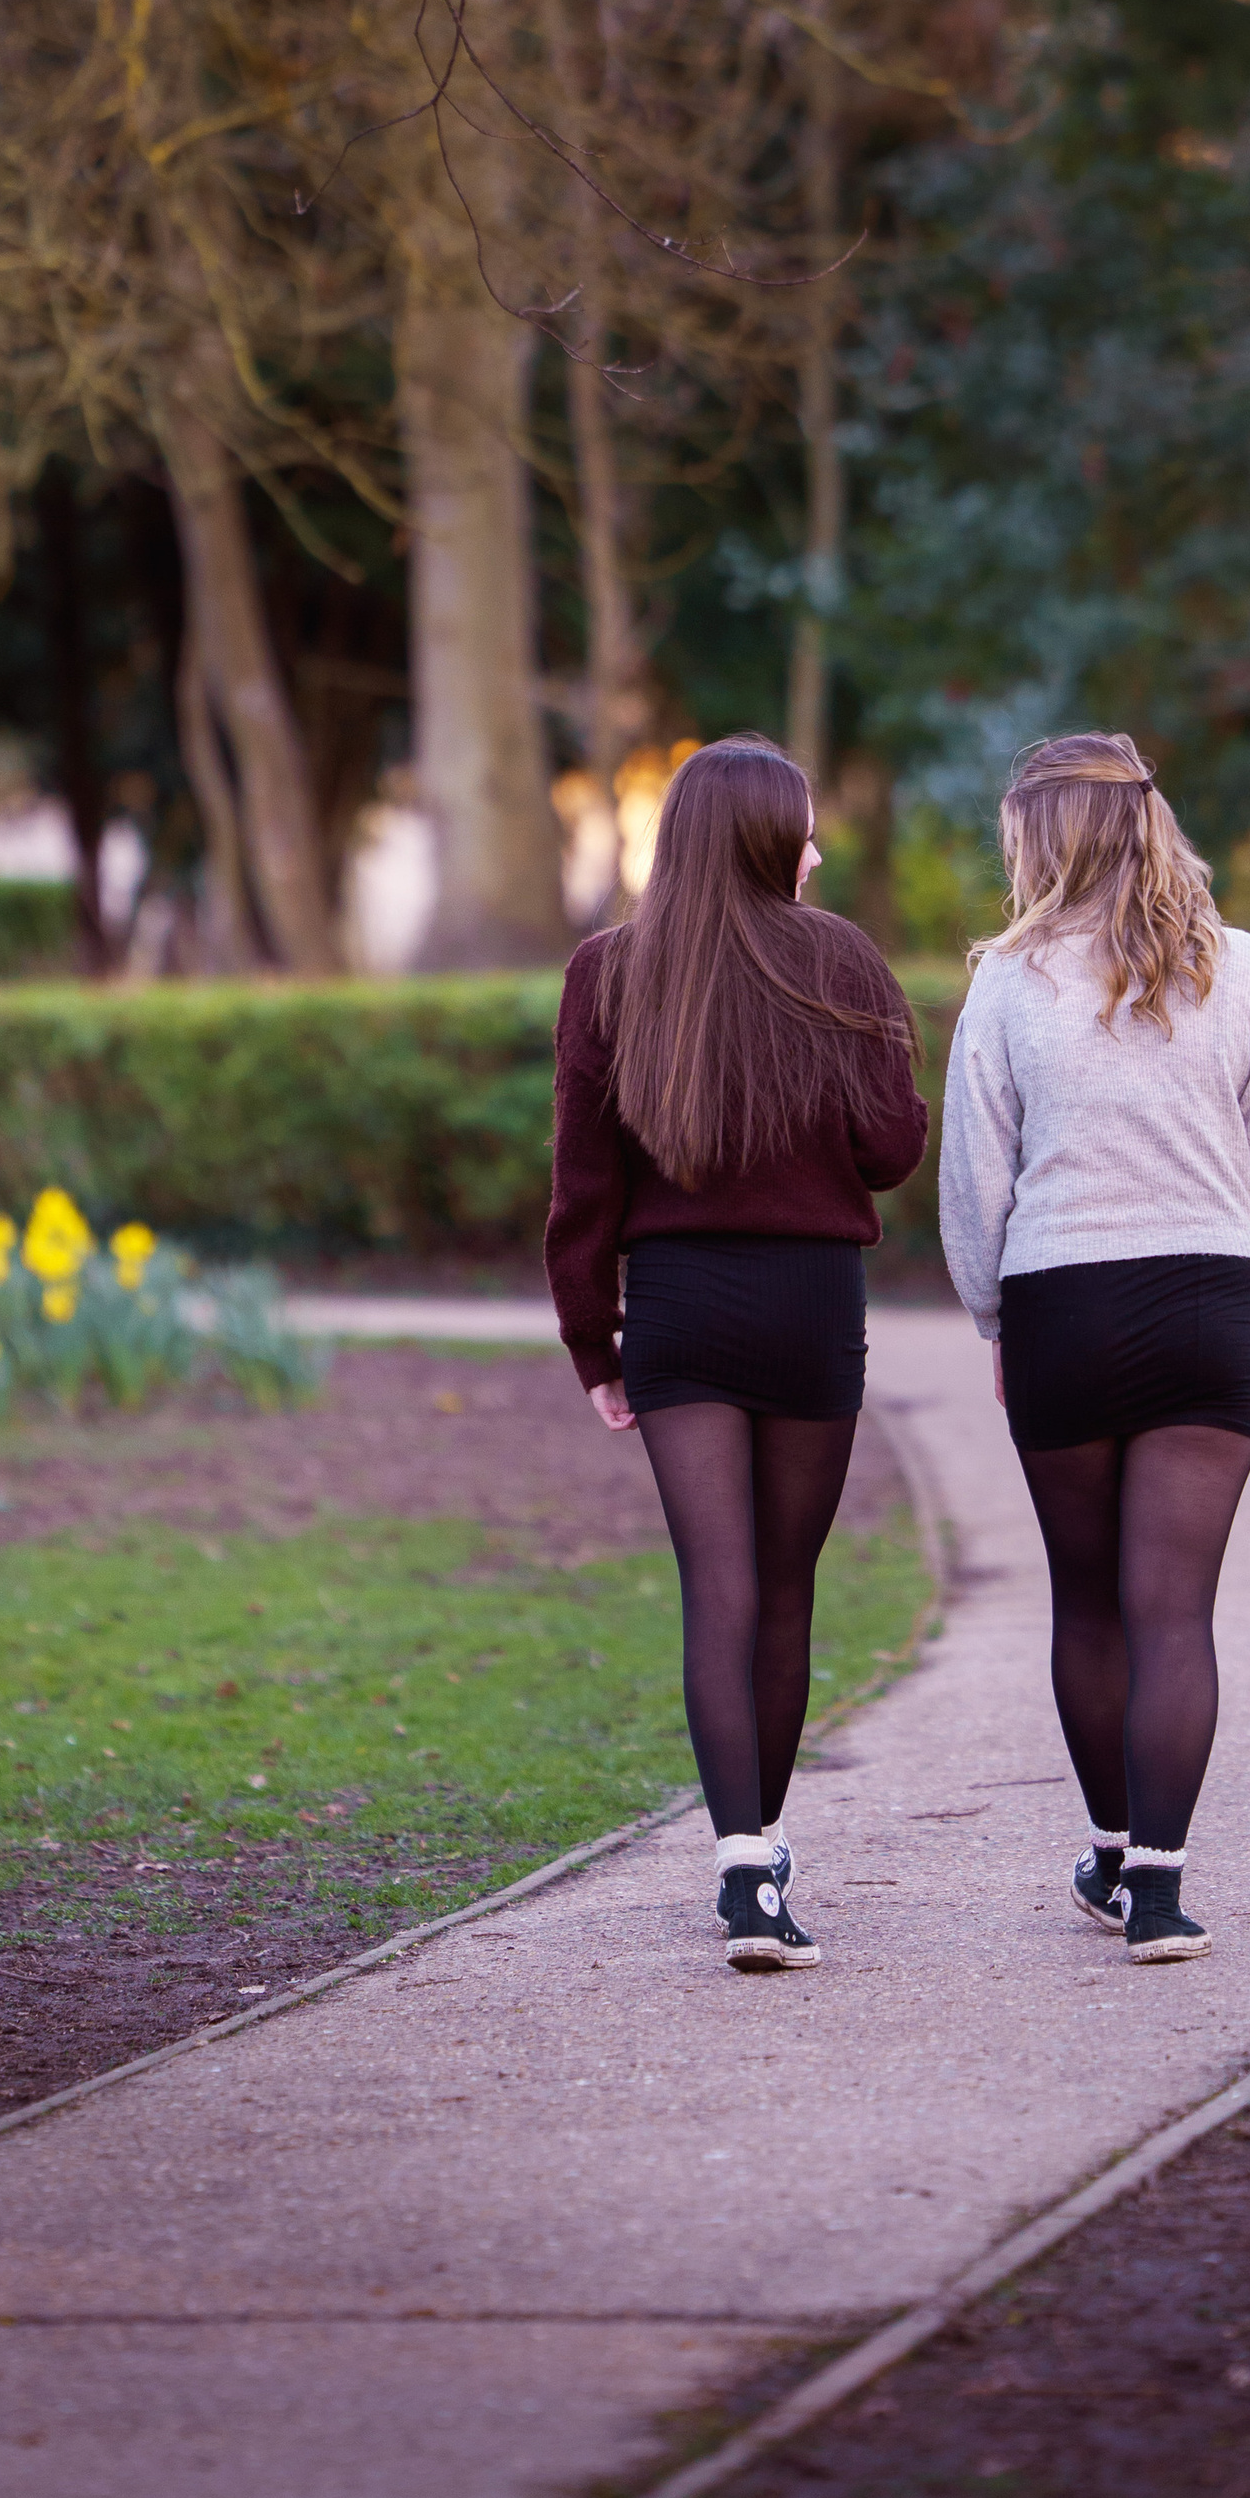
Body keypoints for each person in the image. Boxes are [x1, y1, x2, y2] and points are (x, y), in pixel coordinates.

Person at [938, 733, 1250, 1966]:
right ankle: (1156, 1888)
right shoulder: (1244, 969)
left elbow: (974, 1181)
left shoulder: (1006, 983)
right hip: (1209, 1301)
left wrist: (992, 1315)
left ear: (1040, 839)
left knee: (1089, 1601)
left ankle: (1109, 1848)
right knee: (1175, 1610)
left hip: (1065, 1301)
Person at [546, 737, 928, 1971]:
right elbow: (887, 1151)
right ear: (769, 838)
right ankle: (763, 1854)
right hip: (811, 1305)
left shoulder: (610, 972)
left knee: (716, 1585)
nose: (817, 849)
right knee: (784, 1588)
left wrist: (590, 1341)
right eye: (806, 829)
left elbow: (582, 1186)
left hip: (678, 1307)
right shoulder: (844, 961)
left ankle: (743, 1869)